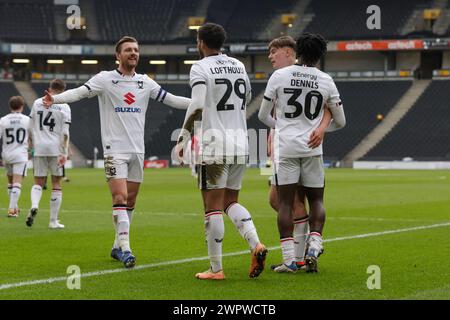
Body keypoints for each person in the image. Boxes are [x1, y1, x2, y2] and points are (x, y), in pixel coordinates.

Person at [43, 36, 191, 268]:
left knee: (130, 200)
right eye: (128, 50)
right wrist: (56, 98)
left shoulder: (146, 82)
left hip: (137, 151)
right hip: (115, 150)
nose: (133, 53)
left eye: (136, 50)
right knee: (119, 197)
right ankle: (126, 248)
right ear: (118, 55)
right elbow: (81, 92)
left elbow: (171, 100)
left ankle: (116, 246)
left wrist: (200, 104)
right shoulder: (105, 79)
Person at [176, 23, 267, 280]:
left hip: (214, 145)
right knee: (231, 202)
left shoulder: (200, 67)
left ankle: (216, 269)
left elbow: (196, 105)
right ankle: (256, 244)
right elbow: (247, 97)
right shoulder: (238, 65)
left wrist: (182, 139)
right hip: (241, 142)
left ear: (201, 42)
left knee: (212, 208)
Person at [258, 33, 346, 273]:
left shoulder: (279, 76)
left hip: (286, 148)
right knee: (316, 200)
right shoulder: (326, 80)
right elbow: (341, 121)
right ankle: (314, 243)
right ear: (320, 55)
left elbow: (262, 116)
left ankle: (289, 261)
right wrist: (320, 129)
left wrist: (284, 127)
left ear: (297, 52)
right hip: (312, 148)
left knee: (284, 203)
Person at [27, 79, 71, 229]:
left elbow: (30, 126)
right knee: (56, 184)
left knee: (38, 182)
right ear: (63, 91)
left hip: (39, 147)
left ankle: (34, 205)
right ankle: (53, 221)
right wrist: (64, 153)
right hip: (56, 149)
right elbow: (65, 133)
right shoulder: (65, 106)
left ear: (49, 88)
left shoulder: (37, 102)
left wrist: (31, 143)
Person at [0, 96, 30, 218]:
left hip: (7, 154)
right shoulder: (27, 120)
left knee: (10, 182)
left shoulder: (3, 120)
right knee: (17, 182)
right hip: (20, 154)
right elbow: (33, 136)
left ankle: (15, 207)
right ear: (22, 106)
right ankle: (12, 210)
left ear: (10, 106)